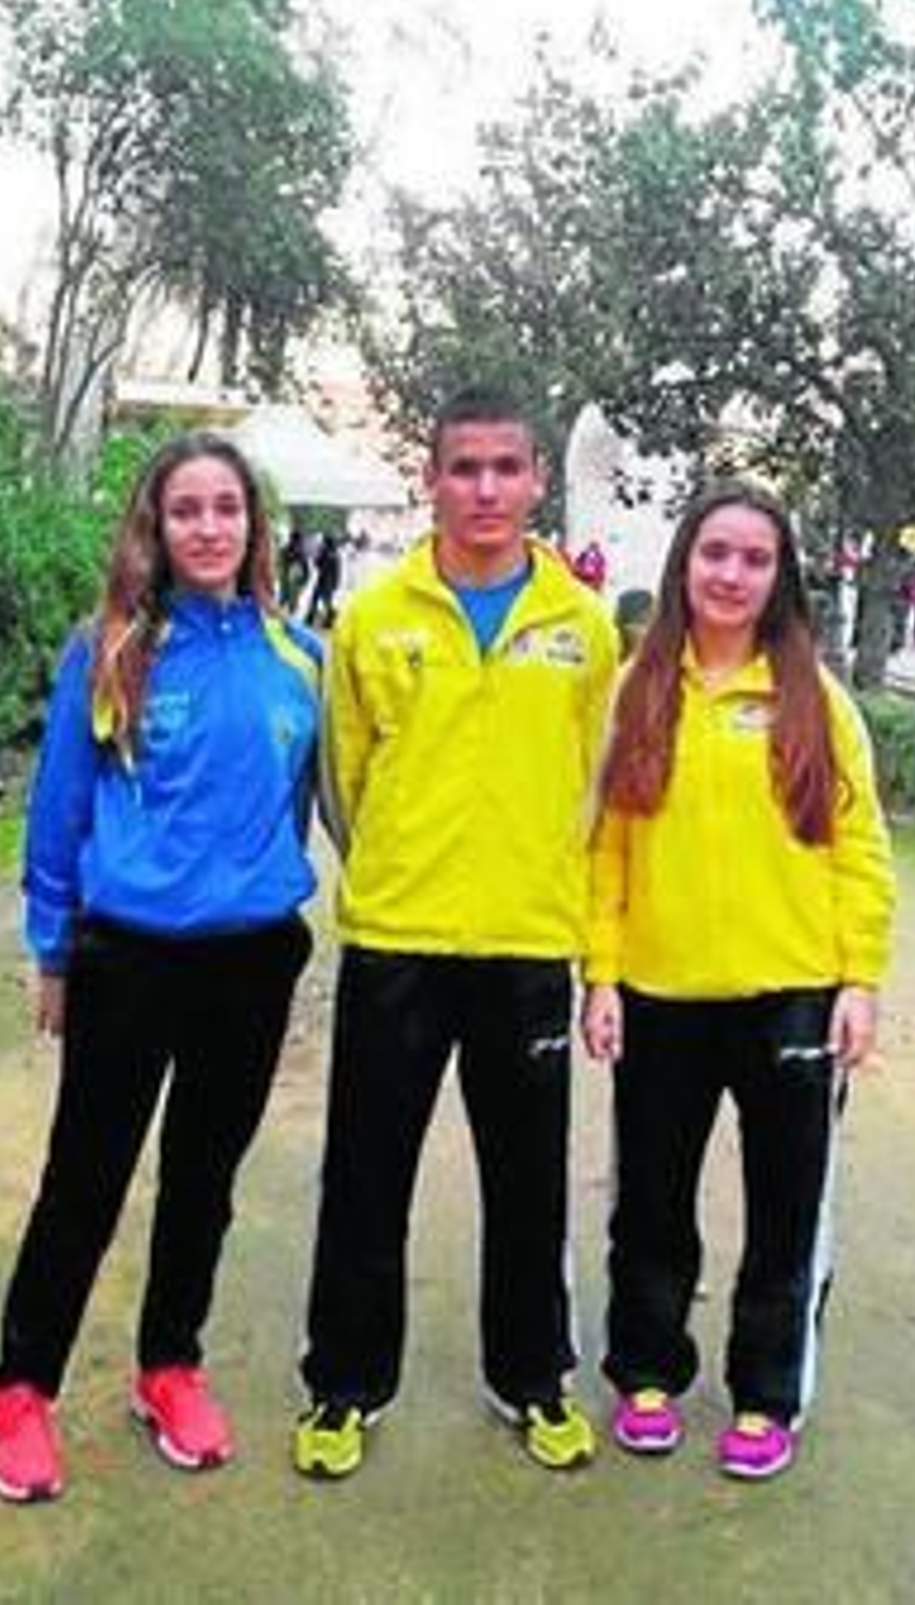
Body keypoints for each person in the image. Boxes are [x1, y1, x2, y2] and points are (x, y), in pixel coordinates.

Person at [0, 432, 322, 1503]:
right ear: (156, 527)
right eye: (187, 510)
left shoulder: (301, 654)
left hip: (252, 963)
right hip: (128, 961)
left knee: (203, 1181)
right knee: (85, 1180)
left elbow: (304, 803)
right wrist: (52, 950)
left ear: (253, 524)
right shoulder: (112, 648)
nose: (209, 527)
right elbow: (59, 810)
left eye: (227, 507)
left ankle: (169, 1367)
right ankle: (21, 1392)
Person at [293, 386, 619, 1479]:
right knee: (365, 1175)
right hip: (398, 939)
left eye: (505, 468)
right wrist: (398, 869)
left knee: (528, 1181)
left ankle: (533, 1379)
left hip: (527, 947)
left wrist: (558, 905)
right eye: (464, 468)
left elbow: (594, 785)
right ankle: (344, 1385)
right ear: (431, 479)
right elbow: (344, 781)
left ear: (537, 480)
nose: (485, 489)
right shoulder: (375, 617)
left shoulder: (581, 627)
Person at [581, 481, 895, 1482]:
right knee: (651, 1203)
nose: (731, 575)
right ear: (684, 563)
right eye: (714, 553)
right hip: (660, 995)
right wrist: (602, 975)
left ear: (780, 576)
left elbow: (860, 849)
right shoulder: (636, 690)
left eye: (755, 559)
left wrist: (860, 980)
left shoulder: (818, 700)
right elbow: (604, 851)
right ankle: (646, 1372)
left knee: (786, 1212)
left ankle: (767, 1394)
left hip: (793, 998)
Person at [308, 530, 343, 627]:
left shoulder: (327, 553)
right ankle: (327, 619)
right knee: (325, 601)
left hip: (324, 581)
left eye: (324, 541)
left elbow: (318, 564)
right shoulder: (335, 554)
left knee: (318, 600)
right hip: (329, 582)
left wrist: (318, 554)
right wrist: (336, 583)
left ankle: (314, 618)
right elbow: (337, 571)